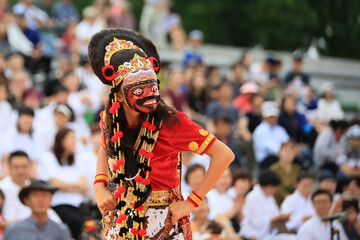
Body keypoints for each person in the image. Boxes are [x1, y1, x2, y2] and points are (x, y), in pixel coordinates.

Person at [88, 28, 234, 239]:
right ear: (119, 95)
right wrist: (99, 187)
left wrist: (191, 202)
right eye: (139, 90)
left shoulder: (172, 122)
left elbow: (224, 154)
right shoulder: (109, 119)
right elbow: (105, 148)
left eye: (152, 87)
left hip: (163, 218)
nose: (150, 96)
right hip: (122, 217)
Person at [38, 128, 87, 239]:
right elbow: (54, 183)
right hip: (59, 204)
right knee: (77, 223)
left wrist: (64, 186)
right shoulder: (48, 157)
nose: (75, 142)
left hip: (79, 204)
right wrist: (76, 186)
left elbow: (84, 185)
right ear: (61, 140)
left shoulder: (76, 160)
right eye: (72, 138)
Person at [4, 180, 71, 240]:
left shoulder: (61, 230)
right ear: (26, 200)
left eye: (44, 195)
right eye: (35, 195)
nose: (40, 200)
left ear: (50, 200)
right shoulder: (14, 230)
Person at [240, 170, 290, 240]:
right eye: (273, 187)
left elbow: (275, 213)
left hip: (268, 233)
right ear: (266, 185)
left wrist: (281, 217)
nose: (274, 190)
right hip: (254, 233)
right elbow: (255, 221)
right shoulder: (253, 197)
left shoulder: (270, 197)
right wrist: (273, 218)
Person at [253, 101, 289, 168]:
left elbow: (286, 143)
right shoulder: (259, 131)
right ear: (264, 116)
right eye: (270, 116)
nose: (272, 118)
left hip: (281, 157)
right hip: (266, 161)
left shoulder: (280, 130)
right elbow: (269, 148)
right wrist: (284, 153)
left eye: (274, 116)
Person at [270, 141, 301, 206]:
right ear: (280, 152)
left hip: (295, 201)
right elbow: (276, 187)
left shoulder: (297, 169)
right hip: (278, 201)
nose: (288, 154)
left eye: (291, 151)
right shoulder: (274, 169)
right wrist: (287, 196)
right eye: (286, 151)